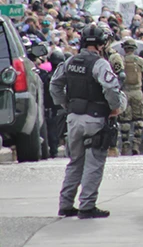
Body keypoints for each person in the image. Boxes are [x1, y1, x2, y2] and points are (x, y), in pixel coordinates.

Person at [50, 24, 126, 219]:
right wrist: (114, 107)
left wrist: (65, 104)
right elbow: (111, 87)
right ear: (101, 44)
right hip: (95, 118)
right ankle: (87, 205)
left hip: (73, 118)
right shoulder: (100, 64)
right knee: (94, 162)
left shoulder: (70, 61)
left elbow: (54, 85)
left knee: (75, 162)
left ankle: (66, 204)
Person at [119, 39, 143, 156]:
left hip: (125, 92)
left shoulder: (121, 60)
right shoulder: (140, 61)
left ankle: (125, 144)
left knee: (124, 120)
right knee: (139, 119)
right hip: (137, 92)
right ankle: (136, 144)